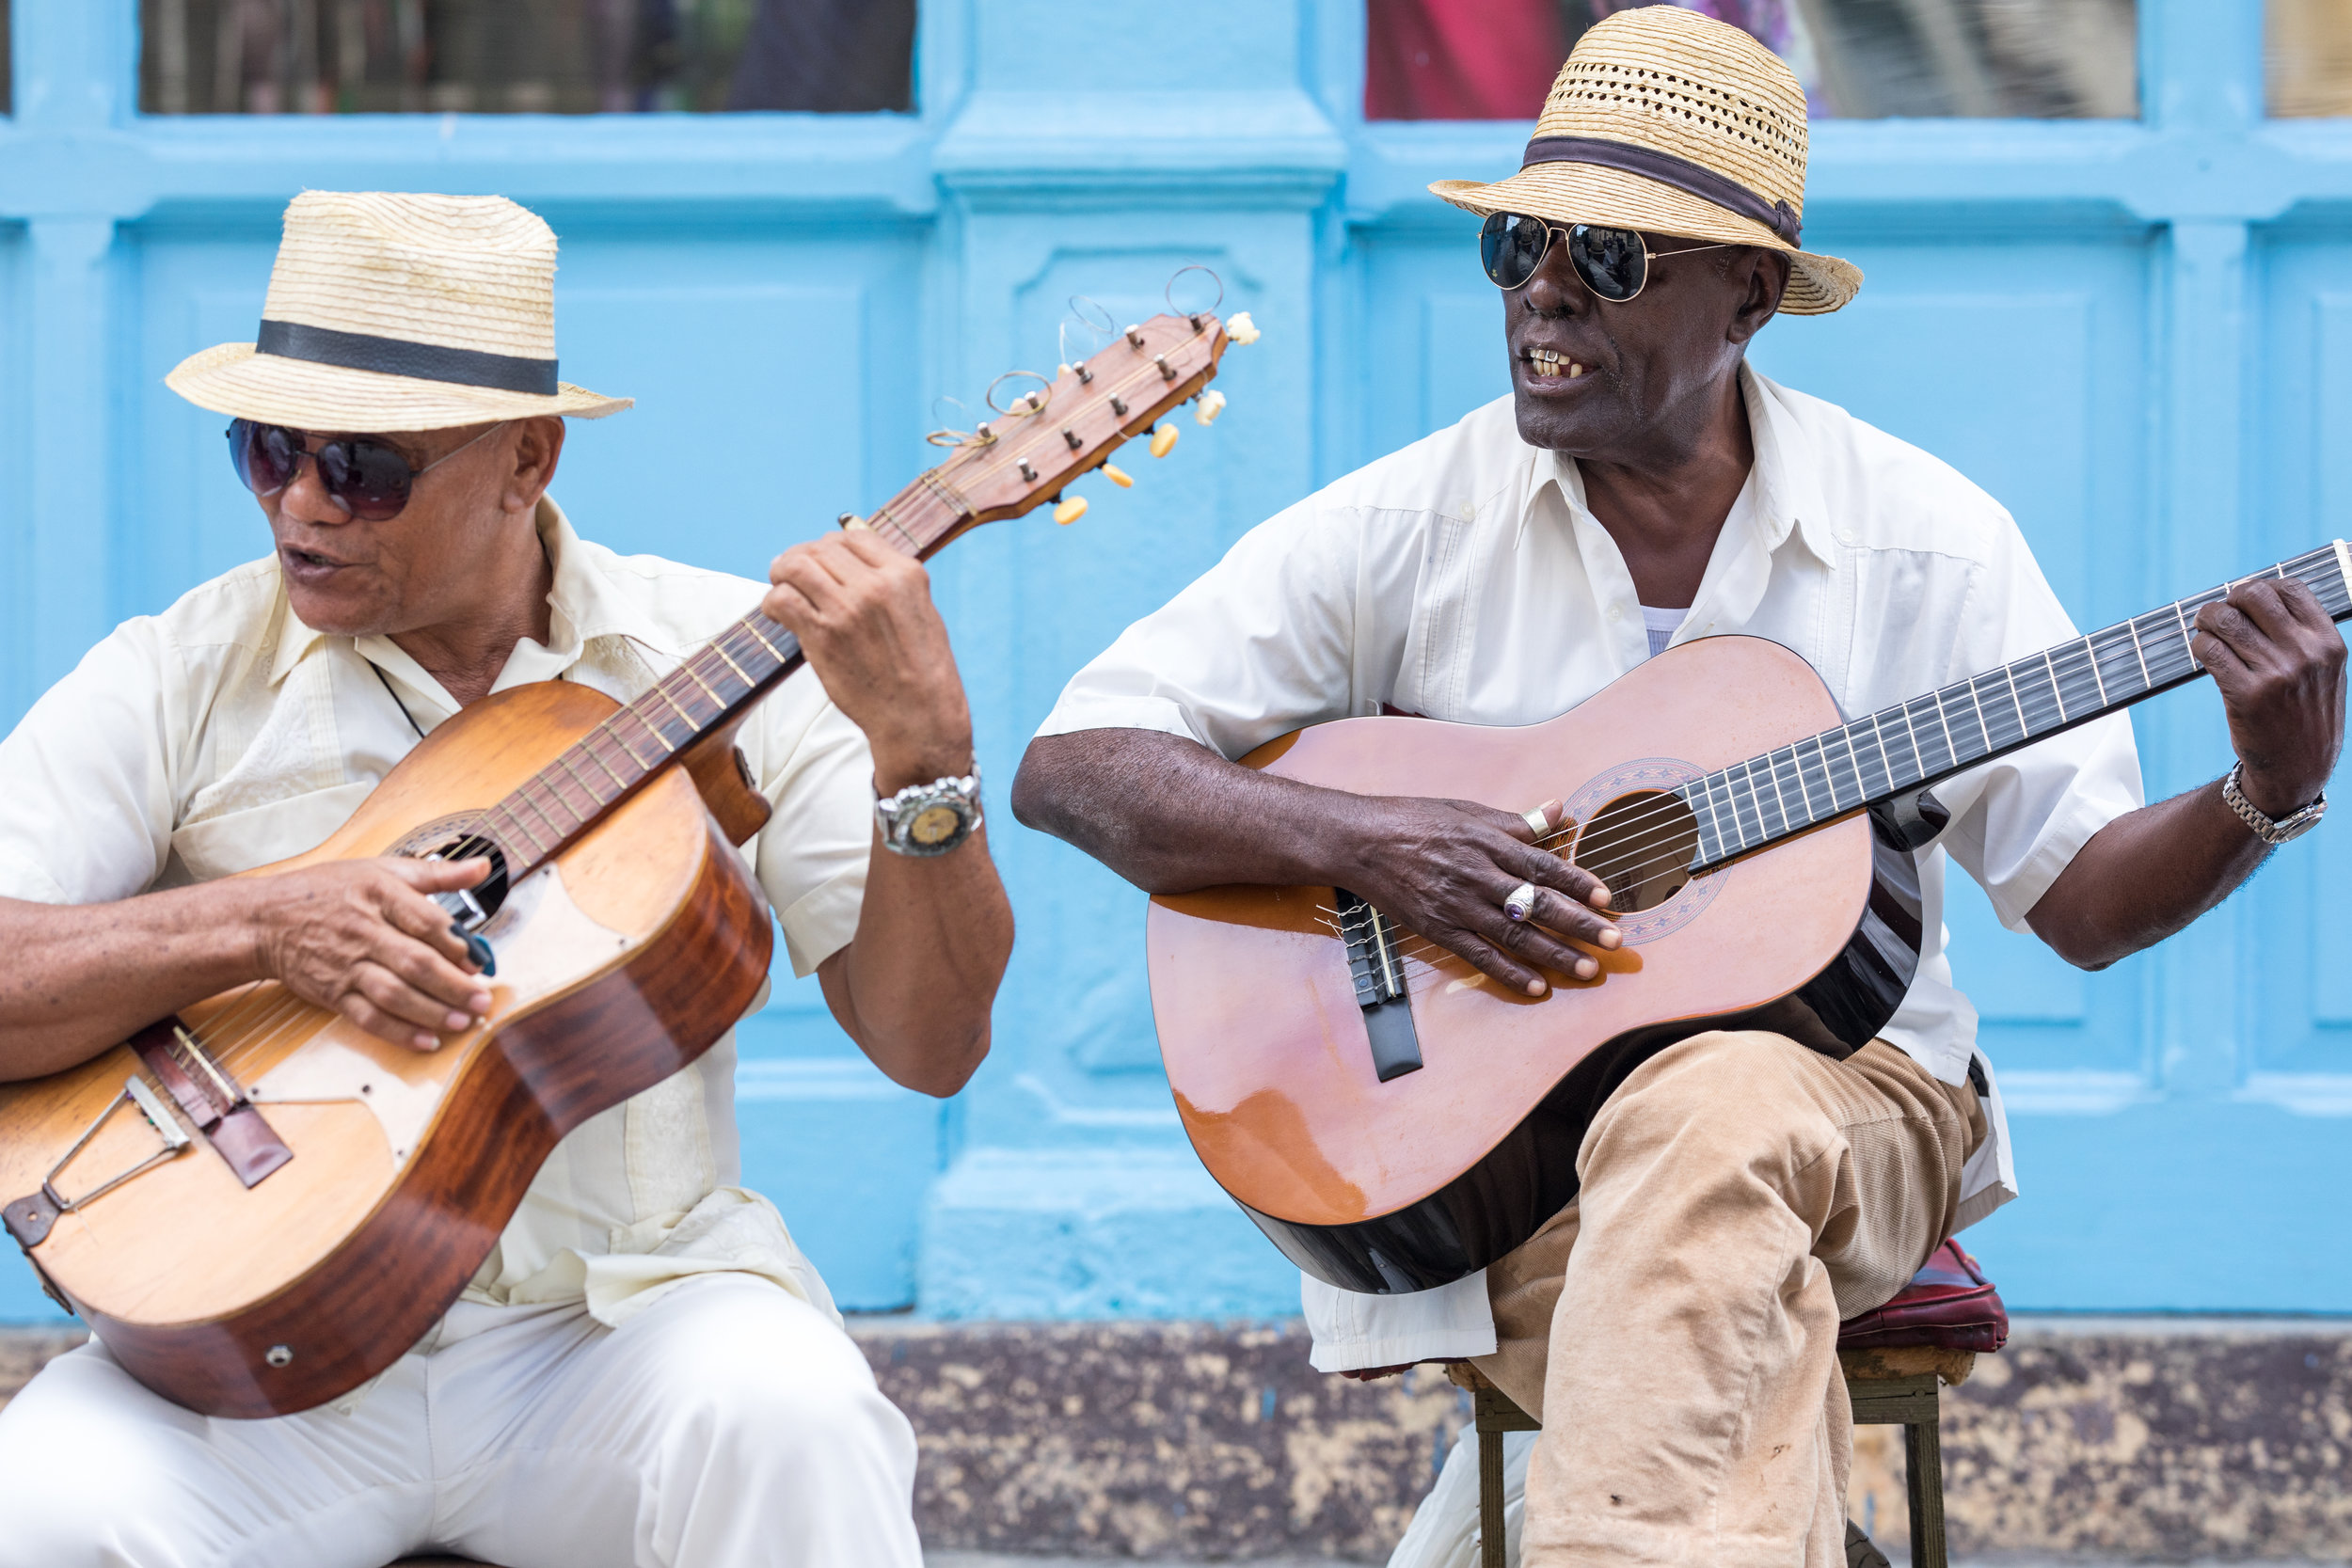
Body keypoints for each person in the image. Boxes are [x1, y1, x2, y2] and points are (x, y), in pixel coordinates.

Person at [1011, 10, 2344, 1568]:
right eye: (1517, 248)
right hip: (1507, 1183)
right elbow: (1075, 763)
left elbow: (2086, 904)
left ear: (1751, 297)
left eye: (1612, 258)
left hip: (1858, 1118)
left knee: (1712, 1100)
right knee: (1702, 1281)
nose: (1545, 295)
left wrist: (2263, 788)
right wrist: (1370, 845)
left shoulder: (1922, 537)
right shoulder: (1411, 522)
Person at [0, 191, 1011, 1568]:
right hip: (266, 1365)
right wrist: (258, 922)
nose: (301, 505)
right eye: (267, 449)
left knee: (795, 1418)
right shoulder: (178, 674)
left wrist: (925, 757)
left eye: (363, 466)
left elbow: (929, 1045)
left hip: (618, 1328)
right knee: (42, 1500)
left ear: (526, 459)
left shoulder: (724, 651)